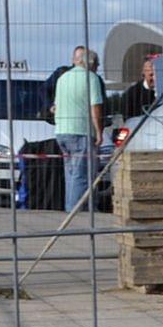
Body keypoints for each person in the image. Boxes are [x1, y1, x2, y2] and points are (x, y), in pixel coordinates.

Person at [53, 46, 105, 212]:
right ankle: (74, 212)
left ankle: (79, 207)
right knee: (81, 176)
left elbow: (56, 105)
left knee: (71, 173)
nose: (98, 68)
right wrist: (99, 132)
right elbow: (95, 107)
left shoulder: (63, 78)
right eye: (97, 64)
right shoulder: (92, 78)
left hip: (62, 130)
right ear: (92, 63)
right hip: (80, 131)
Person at [122, 51, 162, 119]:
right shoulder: (132, 94)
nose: (155, 78)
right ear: (143, 74)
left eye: (157, 74)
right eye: (151, 75)